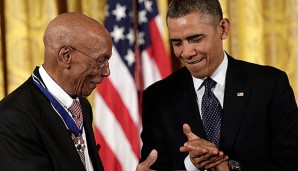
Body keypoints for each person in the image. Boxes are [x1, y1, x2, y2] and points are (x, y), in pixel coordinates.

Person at [139, 0, 298, 170]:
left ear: (223, 29)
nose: (186, 53)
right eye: (177, 43)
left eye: (196, 39)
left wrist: (228, 167)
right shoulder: (157, 97)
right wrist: (191, 164)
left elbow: (291, 162)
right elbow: (155, 166)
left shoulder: (269, 85)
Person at [0, 12, 112, 171]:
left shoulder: (82, 107)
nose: (107, 71)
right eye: (101, 61)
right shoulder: (12, 120)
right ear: (65, 56)